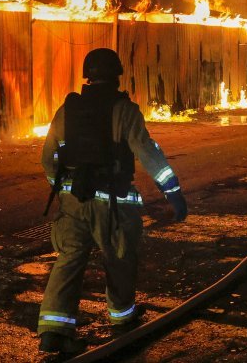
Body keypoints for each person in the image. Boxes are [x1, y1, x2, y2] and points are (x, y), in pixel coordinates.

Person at [37, 48, 188, 355]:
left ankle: (53, 330)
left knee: (68, 261)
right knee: (119, 258)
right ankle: (122, 318)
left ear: (87, 77)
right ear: (117, 76)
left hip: (72, 202)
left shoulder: (67, 110)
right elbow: (148, 153)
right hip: (113, 204)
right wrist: (173, 192)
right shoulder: (125, 110)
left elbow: (48, 158)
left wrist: (64, 189)